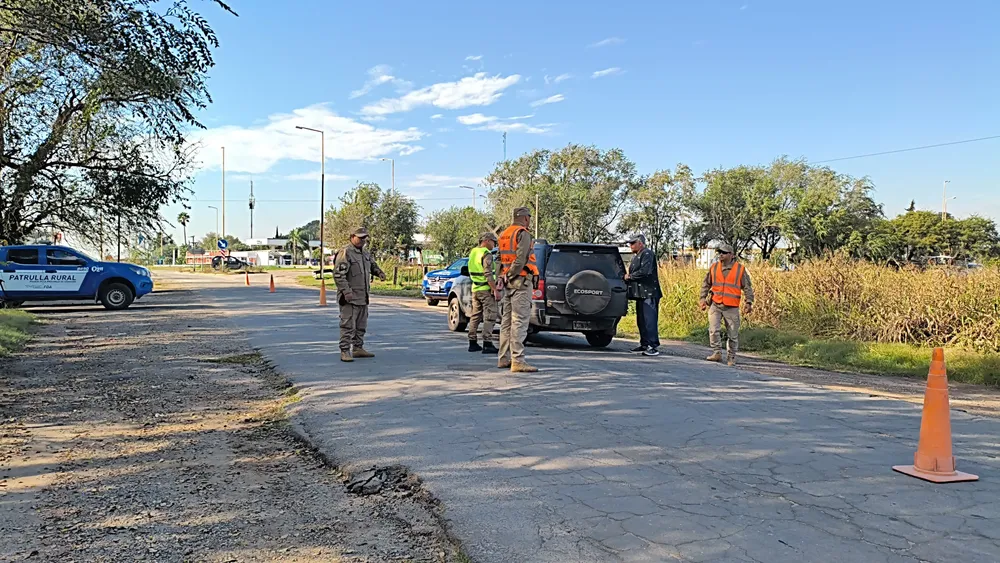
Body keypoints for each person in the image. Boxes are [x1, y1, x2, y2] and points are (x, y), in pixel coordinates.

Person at [333, 227, 386, 362]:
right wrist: (346, 291)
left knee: (361, 325)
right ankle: (345, 351)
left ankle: (358, 348)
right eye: (360, 237)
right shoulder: (346, 253)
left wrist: (379, 272)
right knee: (348, 325)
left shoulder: (365, 254)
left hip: (363, 296)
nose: (363, 240)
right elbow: (338, 275)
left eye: (364, 238)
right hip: (350, 297)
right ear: (352, 237)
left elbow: (372, 266)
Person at [497, 207, 538, 373]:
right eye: (529, 217)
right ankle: (518, 360)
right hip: (520, 282)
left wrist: (502, 276)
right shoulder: (523, 233)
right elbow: (521, 259)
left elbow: (499, 260)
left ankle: (504, 358)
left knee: (506, 322)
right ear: (525, 218)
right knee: (519, 321)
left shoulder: (504, 234)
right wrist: (511, 274)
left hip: (508, 284)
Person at [698, 243, 754, 366]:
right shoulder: (714, 267)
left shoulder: (740, 269)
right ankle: (716, 352)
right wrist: (702, 298)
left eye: (724, 253)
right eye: (719, 253)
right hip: (716, 304)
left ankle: (731, 357)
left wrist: (748, 302)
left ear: (731, 255)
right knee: (713, 330)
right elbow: (706, 284)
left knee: (733, 334)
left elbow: (747, 287)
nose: (721, 255)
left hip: (731, 307)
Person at [624, 234, 662, 357]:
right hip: (640, 294)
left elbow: (645, 272)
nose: (631, 245)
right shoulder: (637, 256)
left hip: (649, 293)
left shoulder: (647, 254)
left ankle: (653, 346)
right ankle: (644, 343)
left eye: (633, 243)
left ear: (640, 243)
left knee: (649, 320)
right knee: (641, 320)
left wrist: (630, 277)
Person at [467, 232, 500, 354]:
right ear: (486, 241)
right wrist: (494, 289)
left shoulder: (474, 252)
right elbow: (488, 273)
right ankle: (487, 343)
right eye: (493, 242)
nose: (494, 244)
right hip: (485, 289)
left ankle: (472, 342)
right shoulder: (486, 254)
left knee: (475, 315)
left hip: (475, 288)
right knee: (490, 315)